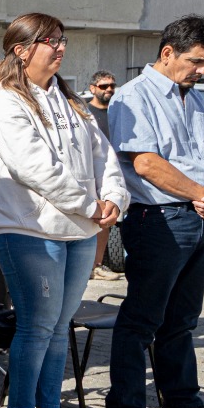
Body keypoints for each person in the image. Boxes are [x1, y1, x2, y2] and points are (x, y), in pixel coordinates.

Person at [0, 15, 128, 408]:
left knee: (60, 328)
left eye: (62, 41)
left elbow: (105, 156)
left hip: (78, 230)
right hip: (28, 228)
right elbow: (34, 166)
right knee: (38, 325)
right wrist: (90, 204)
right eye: (49, 41)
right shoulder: (5, 101)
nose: (59, 48)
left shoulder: (71, 100)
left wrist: (113, 197)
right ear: (21, 50)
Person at [103, 14, 204, 408]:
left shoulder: (192, 97)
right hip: (158, 221)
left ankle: (180, 401)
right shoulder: (132, 97)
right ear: (167, 53)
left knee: (182, 320)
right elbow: (145, 163)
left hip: (198, 219)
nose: (203, 70)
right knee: (141, 320)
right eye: (197, 61)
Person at [86, 71, 122, 280]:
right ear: (92, 88)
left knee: (107, 222)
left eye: (112, 86)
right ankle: (88, 266)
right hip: (92, 175)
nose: (109, 89)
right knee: (95, 220)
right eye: (103, 86)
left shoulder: (117, 112)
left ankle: (97, 265)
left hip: (114, 177)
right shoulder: (85, 113)